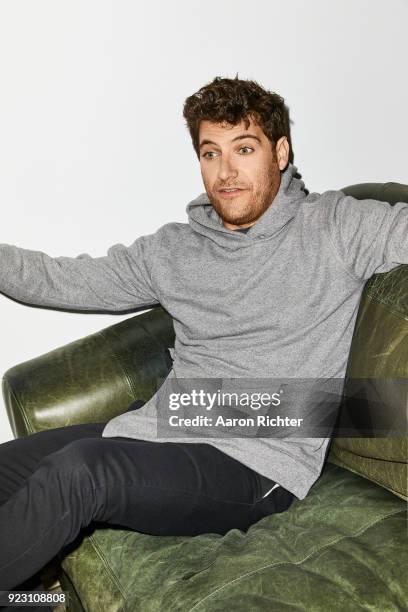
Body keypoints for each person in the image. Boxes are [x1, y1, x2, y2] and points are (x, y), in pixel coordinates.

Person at [0, 75, 407, 598]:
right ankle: (33, 602)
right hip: (169, 424)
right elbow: (64, 278)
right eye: (211, 153)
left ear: (280, 153)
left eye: (245, 148)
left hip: (258, 464)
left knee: (80, 473)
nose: (227, 171)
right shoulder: (175, 249)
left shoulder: (336, 225)